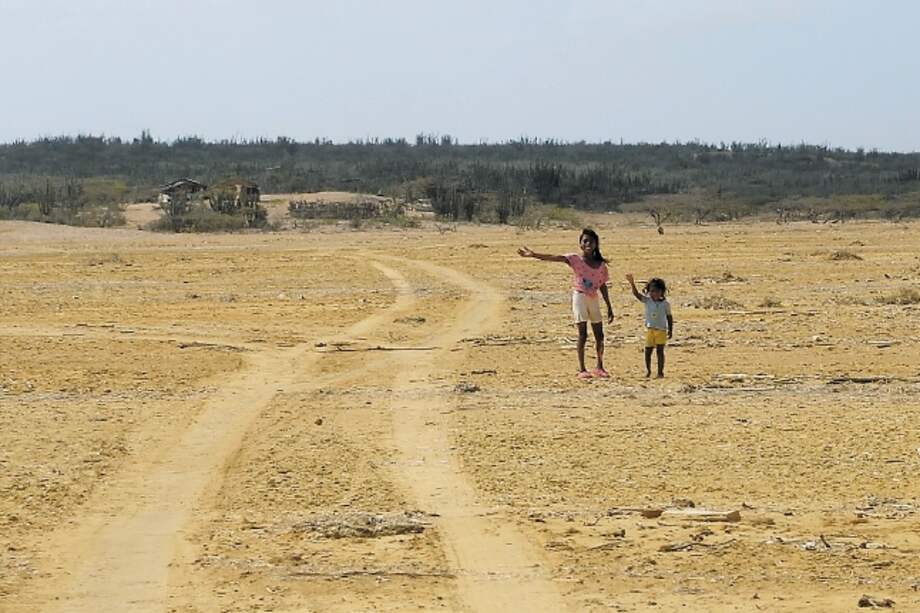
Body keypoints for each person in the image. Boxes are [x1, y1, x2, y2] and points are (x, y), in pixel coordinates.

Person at [518, 229, 614, 380]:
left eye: (591, 241)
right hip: (580, 297)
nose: (588, 244)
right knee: (582, 334)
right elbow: (554, 257)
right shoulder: (575, 259)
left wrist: (609, 305)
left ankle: (599, 366)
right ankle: (582, 369)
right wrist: (534, 254)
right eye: (585, 241)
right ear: (581, 244)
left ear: (596, 244)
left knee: (599, 335)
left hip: (593, 298)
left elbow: (602, 285)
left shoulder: (600, 265)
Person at [625, 274, 673, 378]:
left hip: (661, 330)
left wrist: (670, 329)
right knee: (648, 351)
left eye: (656, 291)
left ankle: (660, 372)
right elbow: (637, 295)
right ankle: (648, 371)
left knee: (660, 352)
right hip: (650, 330)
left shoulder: (665, 304)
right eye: (651, 291)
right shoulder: (648, 301)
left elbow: (669, 317)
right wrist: (632, 283)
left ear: (661, 291)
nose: (654, 294)